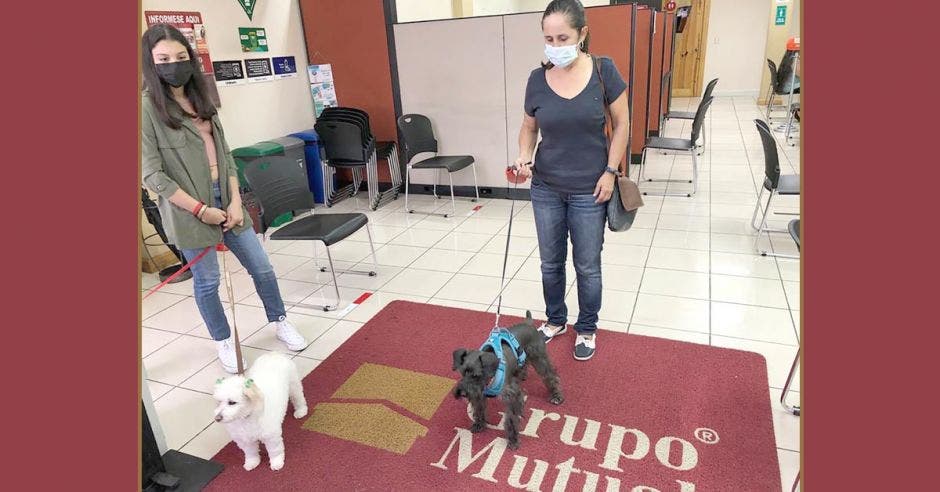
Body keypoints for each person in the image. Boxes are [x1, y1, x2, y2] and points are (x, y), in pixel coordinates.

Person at [141, 24, 308, 373]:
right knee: (208, 281)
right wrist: (202, 210)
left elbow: (226, 155)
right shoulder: (145, 110)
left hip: (227, 199)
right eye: (164, 59)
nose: (174, 65)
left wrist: (233, 201)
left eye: (181, 57)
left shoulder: (203, 99)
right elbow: (152, 175)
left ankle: (279, 320)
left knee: (262, 268)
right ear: (151, 63)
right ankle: (223, 341)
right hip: (189, 210)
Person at [514, 0, 630, 361]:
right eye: (548, 38)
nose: (555, 45)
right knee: (550, 261)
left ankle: (587, 328)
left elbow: (623, 124)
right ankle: (555, 320)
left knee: (587, 264)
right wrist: (523, 155)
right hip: (546, 186)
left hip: (590, 187)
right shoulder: (537, 78)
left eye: (563, 37)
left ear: (582, 33)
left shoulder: (602, 71)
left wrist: (610, 172)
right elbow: (529, 126)